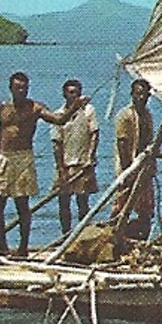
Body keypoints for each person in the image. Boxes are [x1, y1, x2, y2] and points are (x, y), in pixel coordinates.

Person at [0, 71, 85, 258]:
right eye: (18, 87)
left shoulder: (35, 107)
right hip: (4, 157)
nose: (22, 91)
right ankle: (2, 245)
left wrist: (74, 106)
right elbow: (0, 133)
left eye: (25, 88)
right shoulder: (3, 107)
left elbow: (59, 120)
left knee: (22, 204)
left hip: (23, 157)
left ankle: (23, 247)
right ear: (11, 88)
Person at [112, 78, 162, 242]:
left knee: (146, 210)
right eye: (138, 94)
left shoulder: (147, 116)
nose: (141, 97)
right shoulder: (125, 116)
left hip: (145, 168)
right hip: (129, 169)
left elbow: (150, 145)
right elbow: (123, 145)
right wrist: (129, 172)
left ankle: (139, 241)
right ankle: (116, 240)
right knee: (121, 208)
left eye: (144, 94)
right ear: (132, 94)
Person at [52, 78, 100, 235]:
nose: (74, 96)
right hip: (65, 164)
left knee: (83, 201)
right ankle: (65, 235)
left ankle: (82, 234)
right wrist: (61, 168)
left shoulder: (88, 111)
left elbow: (94, 134)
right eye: (71, 93)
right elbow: (56, 143)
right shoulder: (58, 115)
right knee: (63, 202)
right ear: (64, 94)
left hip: (83, 163)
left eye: (77, 93)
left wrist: (90, 157)